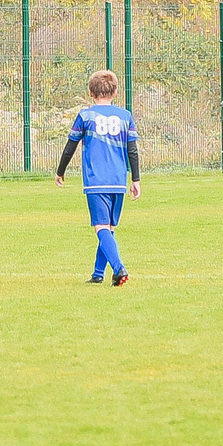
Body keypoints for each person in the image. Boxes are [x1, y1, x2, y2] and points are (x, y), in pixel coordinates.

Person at [55, 69, 139, 285]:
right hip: (119, 180)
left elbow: (70, 146)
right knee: (108, 228)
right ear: (116, 92)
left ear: (91, 92)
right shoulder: (125, 116)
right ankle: (98, 273)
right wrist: (136, 179)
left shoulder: (86, 115)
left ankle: (119, 267)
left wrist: (60, 171)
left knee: (101, 228)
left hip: (96, 180)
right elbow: (132, 150)